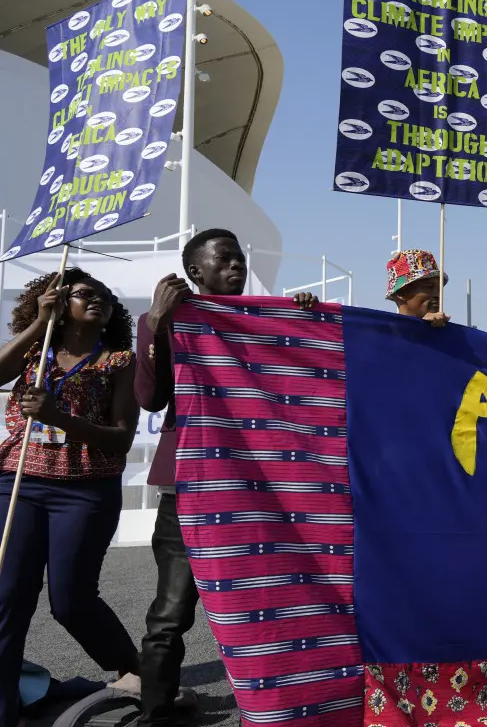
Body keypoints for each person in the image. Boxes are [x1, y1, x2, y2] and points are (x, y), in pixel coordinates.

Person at [134, 229, 318, 726]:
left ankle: (278, 706)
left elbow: (301, 379)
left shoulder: (266, 318)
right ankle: (156, 712)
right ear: (195, 273)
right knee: (171, 611)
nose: (235, 265)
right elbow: (150, 400)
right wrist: (157, 323)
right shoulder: (167, 322)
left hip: (262, 487)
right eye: (223, 259)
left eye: (239, 257)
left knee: (275, 598)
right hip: (190, 485)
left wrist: (307, 318)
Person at [0, 269, 140, 727]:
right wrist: (39, 325)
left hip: (85, 488)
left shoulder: (120, 360)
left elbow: (120, 439)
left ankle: (139, 671)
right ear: (60, 303)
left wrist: (58, 416)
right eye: (83, 294)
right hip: (18, 482)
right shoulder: (33, 353)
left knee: (71, 599)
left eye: (104, 296)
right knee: (8, 597)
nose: (97, 299)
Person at [387, 249, 450, 325]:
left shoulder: (448, 335)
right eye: (429, 286)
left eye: (440, 288)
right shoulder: (384, 334)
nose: (438, 295)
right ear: (402, 292)